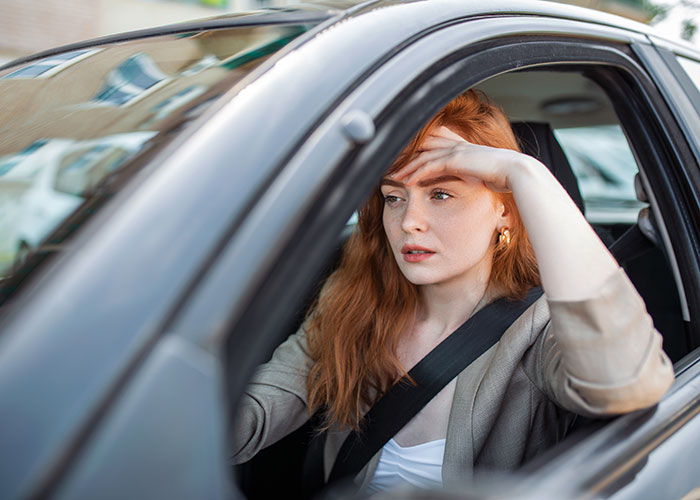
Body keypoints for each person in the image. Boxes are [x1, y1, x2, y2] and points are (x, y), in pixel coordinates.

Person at [232, 90, 675, 493]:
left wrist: (525, 172)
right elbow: (257, 410)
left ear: (504, 208)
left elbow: (625, 383)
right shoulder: (354, 301)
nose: (408, 222)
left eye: (441, 193)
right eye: (393, 197)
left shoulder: (539, 329)